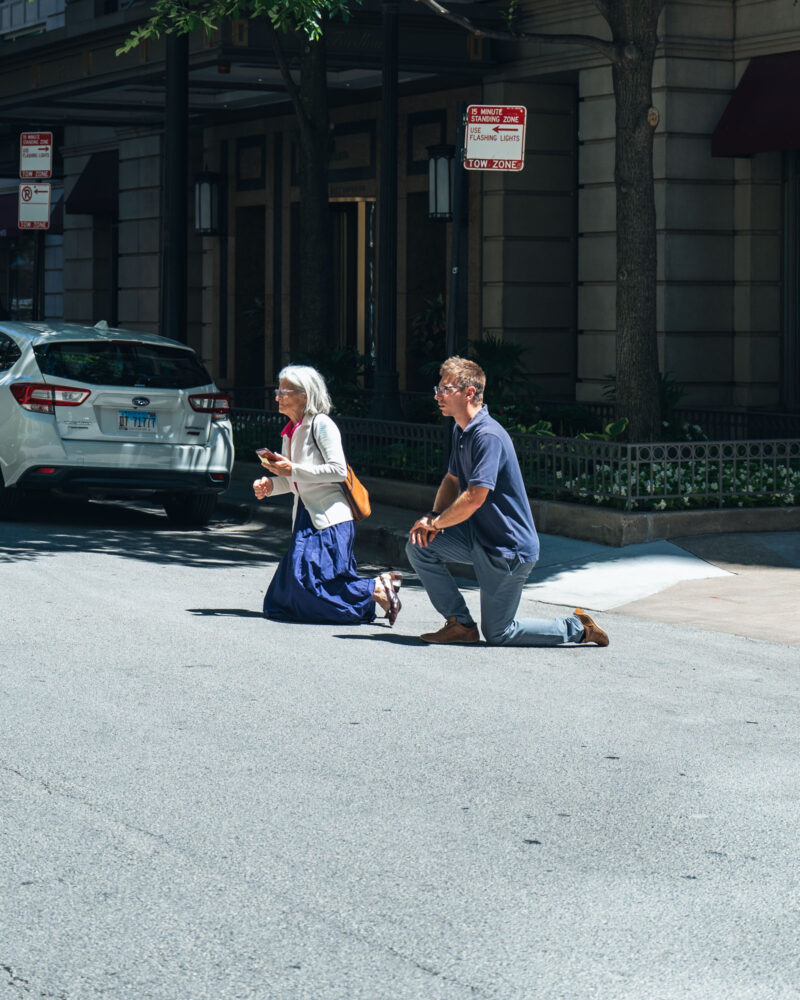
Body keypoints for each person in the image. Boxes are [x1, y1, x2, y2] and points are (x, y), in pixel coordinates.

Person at [406, 356, 609, 647]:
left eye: (445, 388)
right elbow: (452, 481)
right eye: (437, 388)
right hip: (478, 537)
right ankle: (459, 624)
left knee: (499, 633)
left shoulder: (488, 436)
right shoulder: (461, 430)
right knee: (419, 544)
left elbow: (475, 497)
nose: (438, 395)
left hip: (507, 549)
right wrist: (432, 518)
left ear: (469, 393)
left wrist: (438, 523)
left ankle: (577, 627)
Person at [253, 365, 401, 625]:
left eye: (284, 392)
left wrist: (293, 469)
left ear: (305, 394)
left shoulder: (321, 425)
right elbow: (294, 480)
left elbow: (338, 471)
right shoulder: (291, 431)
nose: (277, 397)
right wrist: (271, 485)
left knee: (307, 585)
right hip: (305, 515)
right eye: (278, 391)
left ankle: (376, 587)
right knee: (282, 598)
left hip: (329, 519)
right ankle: (379, 588)